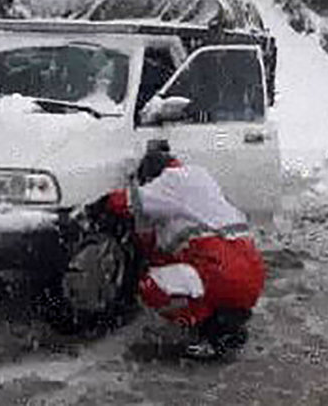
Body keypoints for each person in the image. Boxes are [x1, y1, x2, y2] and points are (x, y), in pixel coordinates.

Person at [105, 140, 266, 358]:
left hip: (220, 272)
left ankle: (204, 329)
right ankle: (226, 324)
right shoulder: (202, 180)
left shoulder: (171, 180)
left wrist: (96, 205)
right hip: (252, 275)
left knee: (149, 285)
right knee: (185, 273)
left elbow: (125, 202)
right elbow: (161, 250)